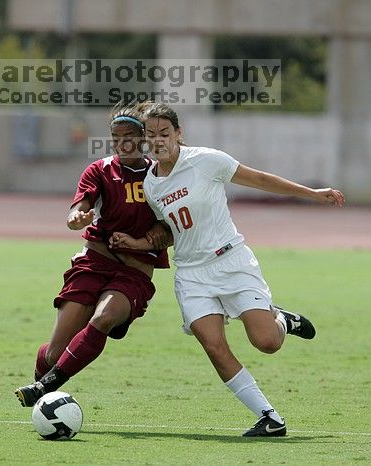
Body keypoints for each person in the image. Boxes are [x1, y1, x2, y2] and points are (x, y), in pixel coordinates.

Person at [110, 102, 345, 437]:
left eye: (165, 133)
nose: (158, 140)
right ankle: (269, 417)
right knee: (214, 345)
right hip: (192, 274)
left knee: (266, 342)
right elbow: (171, 231)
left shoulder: (207, 160)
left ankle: (280, 319)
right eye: (151, 135)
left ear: (179, 134)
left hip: (231, 262)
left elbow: (260, 179)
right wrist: (136, 244)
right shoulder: (151, 184)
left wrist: (311, 194)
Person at [14, 103, 171, 407]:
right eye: (116, 136)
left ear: (144, 138)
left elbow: (169, 230)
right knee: (53, 355)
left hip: (134, 273)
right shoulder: (99, 170)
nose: (123, 142)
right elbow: (81, 205)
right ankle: (44, 383)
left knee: (103, 317)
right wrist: (77, 217)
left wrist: (139, 243)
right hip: (93, 263)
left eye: (130, 136)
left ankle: (43, 389)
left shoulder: (161, 174)